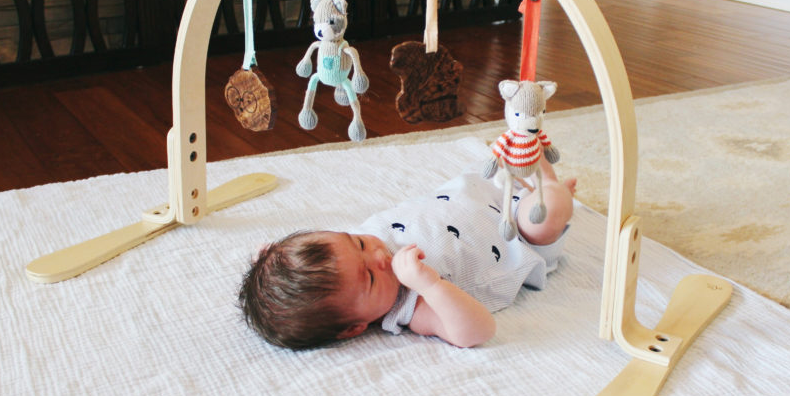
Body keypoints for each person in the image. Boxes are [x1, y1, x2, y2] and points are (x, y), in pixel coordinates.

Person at [239, 156, 577, 350]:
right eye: (370, 278)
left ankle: (536, 171)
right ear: (354, 328)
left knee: (511, 144)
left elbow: (304, 260)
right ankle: (551, 186)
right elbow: (478, 331)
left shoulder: (351, 246)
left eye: (357, 244)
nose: (378, 257)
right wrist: (430, 285)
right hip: (519, 232)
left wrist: (270, 260)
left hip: (484, 189)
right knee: (545, 213)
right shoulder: (411, 306)